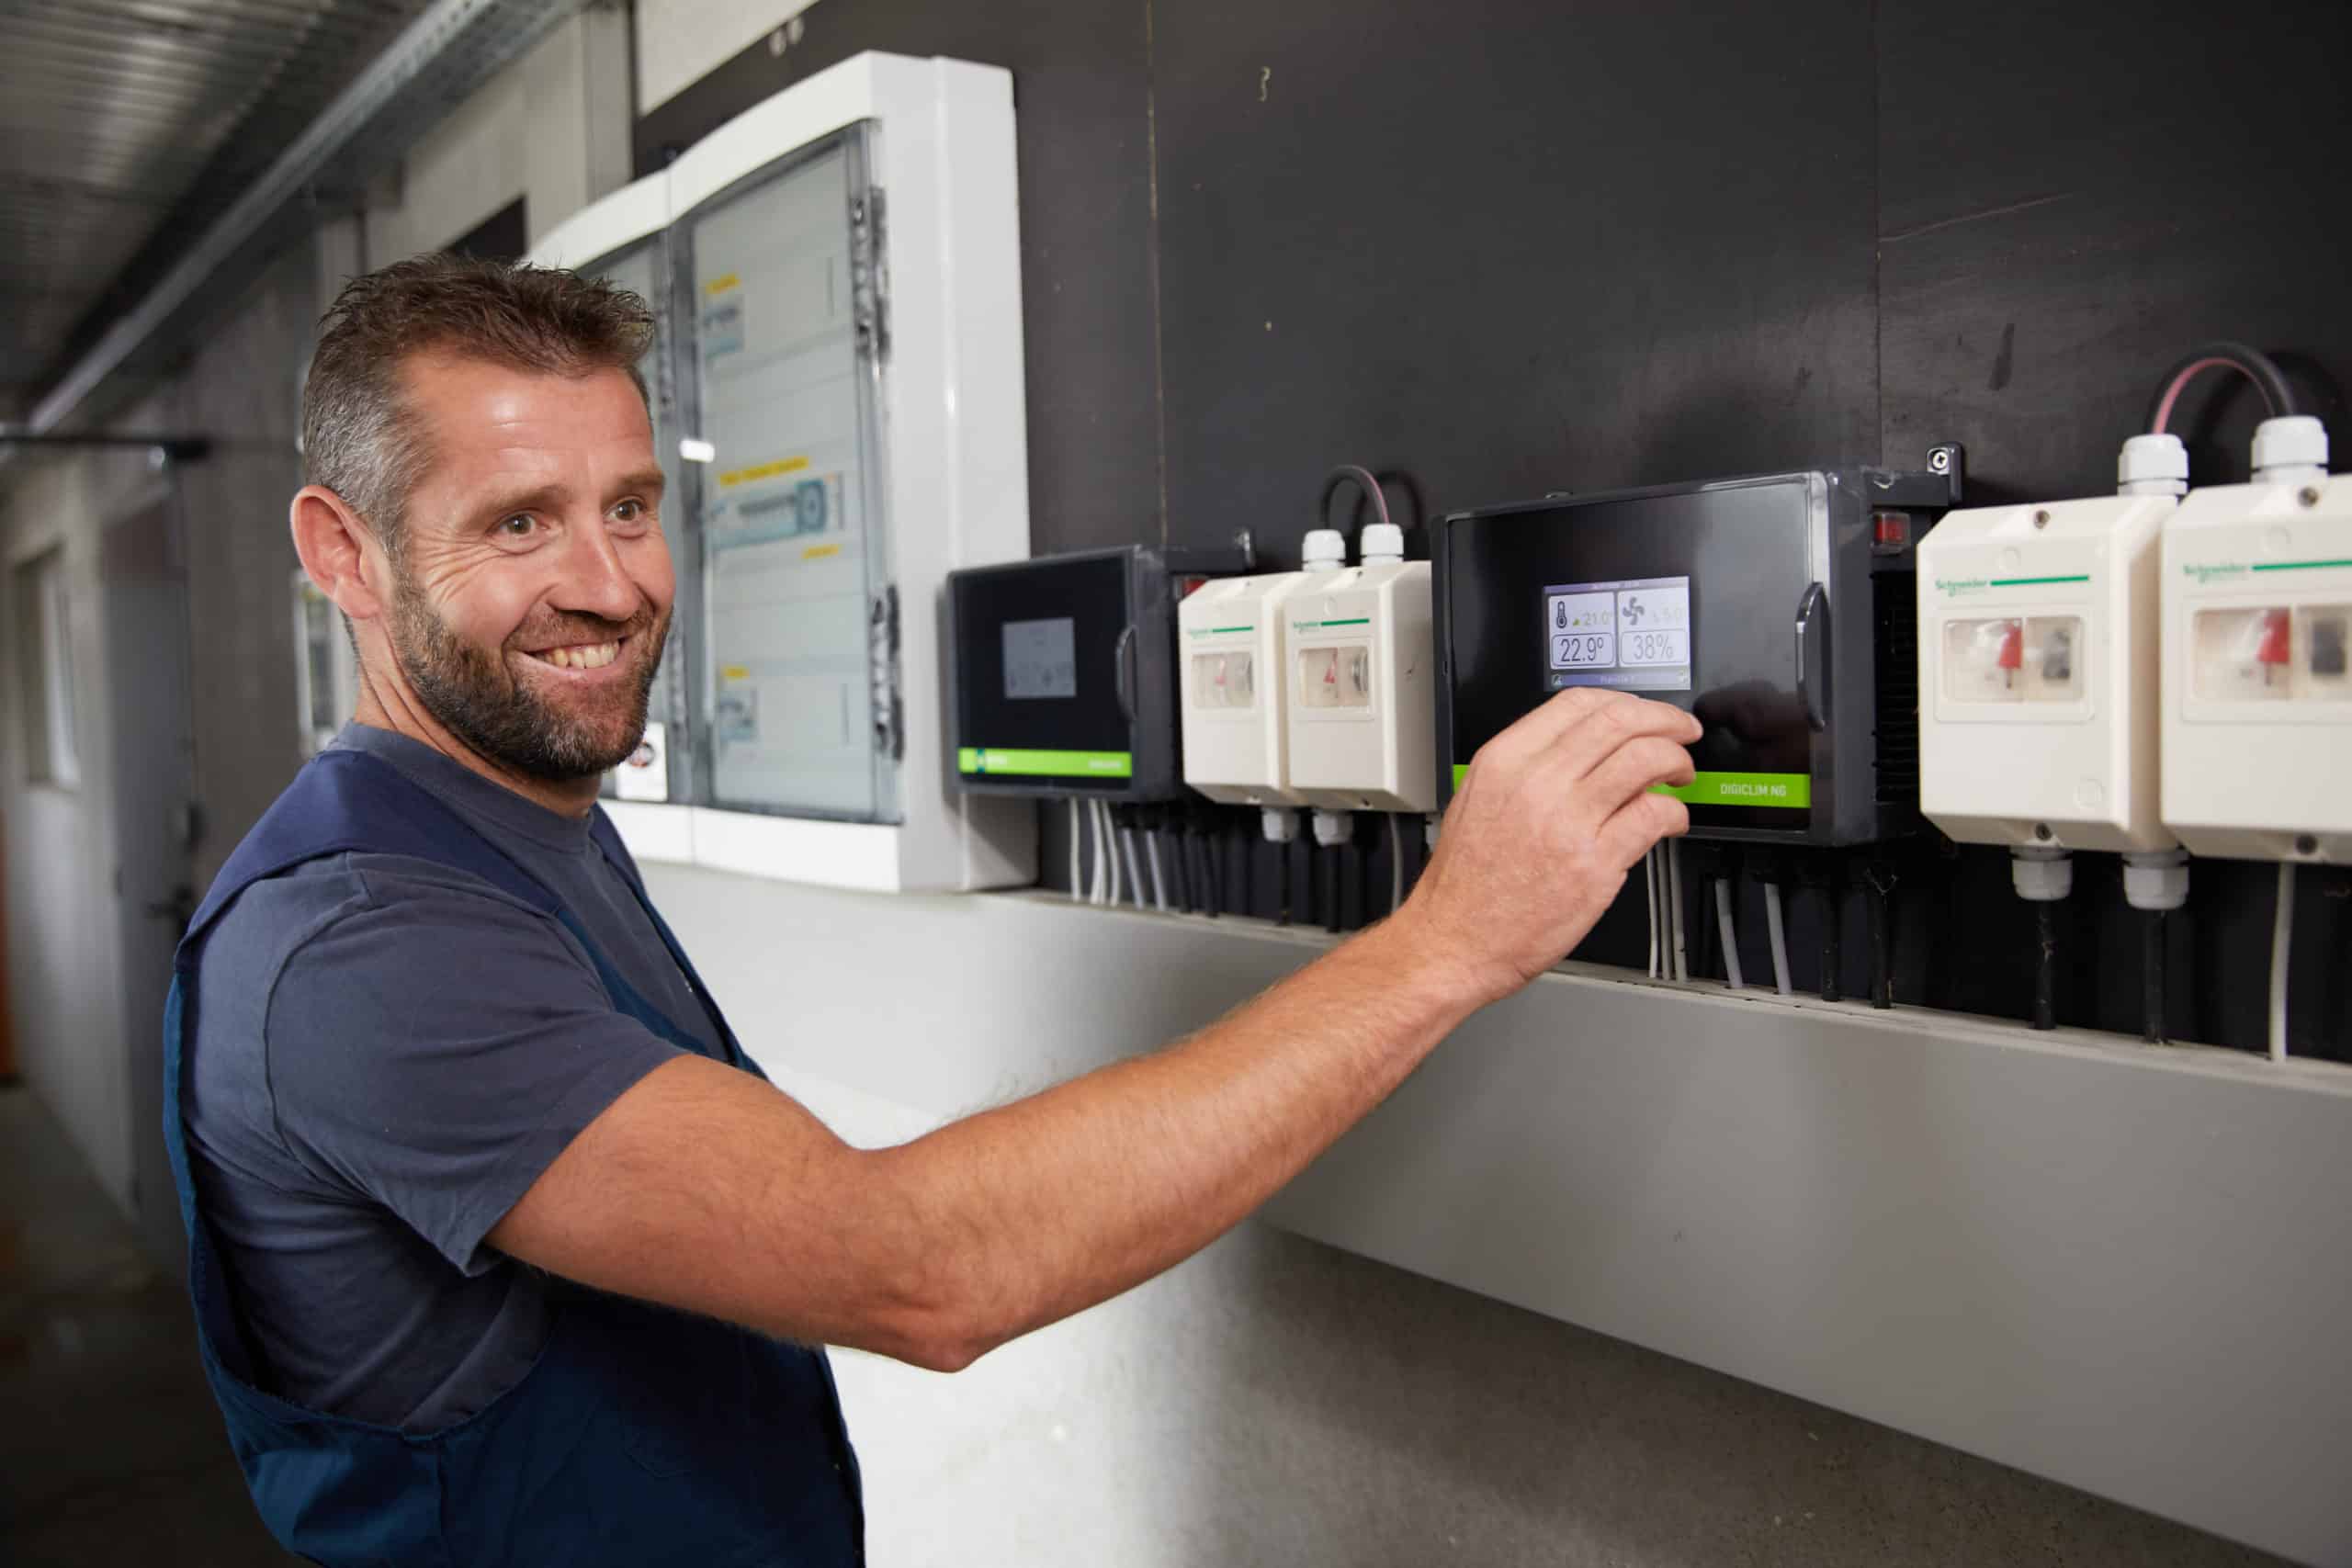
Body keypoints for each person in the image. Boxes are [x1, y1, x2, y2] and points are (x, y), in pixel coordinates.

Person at [167, 254, 1702, 1567]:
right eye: (518, 524)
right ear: (343, 553)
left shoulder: (517, 822)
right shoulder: (362, 949)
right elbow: (919, 1269)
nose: (611, 584)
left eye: (629, 506)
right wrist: (1446, 942)